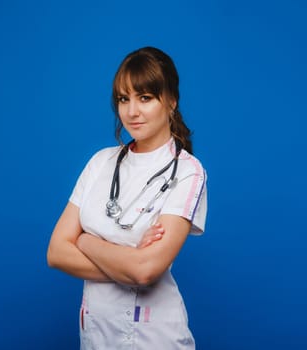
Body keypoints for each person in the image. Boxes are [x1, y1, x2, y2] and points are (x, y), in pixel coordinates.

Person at [47, 46, 208, 349]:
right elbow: (56, 252)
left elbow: (145, 270)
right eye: (124, 99)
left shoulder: (188, 172)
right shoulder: (100, 163)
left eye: (145, 98)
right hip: (96, 335)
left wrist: (84, 240)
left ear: (171, 101)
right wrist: (129, 262)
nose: (132, 112)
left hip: (154, 338)